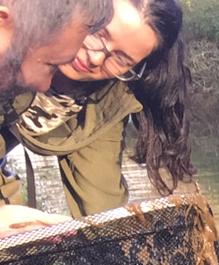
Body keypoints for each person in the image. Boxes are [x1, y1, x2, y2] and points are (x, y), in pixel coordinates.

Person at [2, 0, 192, 219]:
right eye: (99, 33)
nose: (96, 58)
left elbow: (102, 210)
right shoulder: (13, 38)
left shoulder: (105, 106)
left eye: (121, 59)